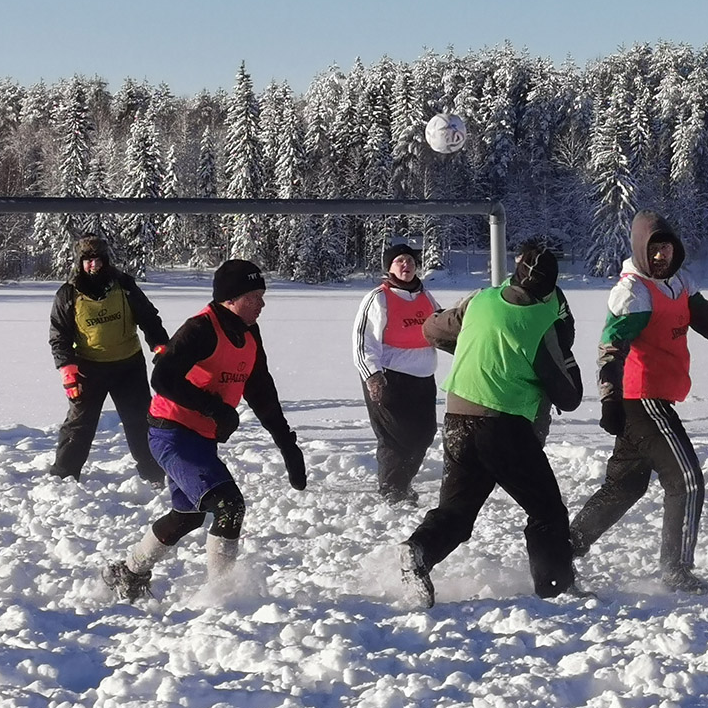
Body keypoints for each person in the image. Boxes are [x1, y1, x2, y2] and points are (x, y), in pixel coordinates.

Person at [568, 210, 708, 594]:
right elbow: (611, 349)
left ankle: (561, 551)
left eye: (667, 248)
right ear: (641, 252)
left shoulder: (678, 286)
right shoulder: (636, 293)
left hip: (654, 397)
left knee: (625, 487)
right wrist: (609, 399)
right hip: (641, 400)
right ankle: (675, 570)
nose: (661, 256)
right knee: (687, 480)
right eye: (654, 250)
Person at [103, 259, 308, 602]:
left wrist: (288, 445)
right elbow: (163, 377)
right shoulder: (200, 328)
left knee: (189, 514)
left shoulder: (247, 332)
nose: (262, 303)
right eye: (254, 296)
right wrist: (214, 408)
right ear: (231, 298)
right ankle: (222, 595)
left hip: (200, 437)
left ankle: (129, 571)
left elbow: (261, 392)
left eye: (262, 295)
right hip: (170, 432)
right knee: (229, 505)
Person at [397, 241, 583, 608]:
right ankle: (556, 588)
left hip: (456, 418)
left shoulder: (481, 299)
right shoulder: (540, 322)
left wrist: (477, 345)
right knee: (546, 510)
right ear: (550, 290)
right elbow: (569, 396)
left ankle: (419, 550)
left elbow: (432, 330)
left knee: (457, 512)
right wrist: (565, 360)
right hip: (502, 425)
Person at [48, 233, 169, 484]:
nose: (93, 265)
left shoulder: (124, 286)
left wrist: (160, 347)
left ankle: (154, 475)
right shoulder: (67, 295)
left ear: (106, 260)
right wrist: (67, 368)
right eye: (87, 260)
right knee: (79, 425)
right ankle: (63, 477)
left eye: (98, 259)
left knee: (140, 422)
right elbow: (59, 335)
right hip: (88, 369)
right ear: (79, 263)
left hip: (129, 366)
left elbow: (149, 318)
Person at [351, 243, 441, 504]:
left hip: (424, 377)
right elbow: (362, 340)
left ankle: (402, 483)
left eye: (410, 260)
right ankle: (393, 489)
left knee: (424, 434)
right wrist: (372, 374)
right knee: (395, 436)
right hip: (389, 377)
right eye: (399, 261)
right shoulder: (378, 298)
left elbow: (441, 327)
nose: (406, 264)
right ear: (389, 268)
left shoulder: (427, 297)